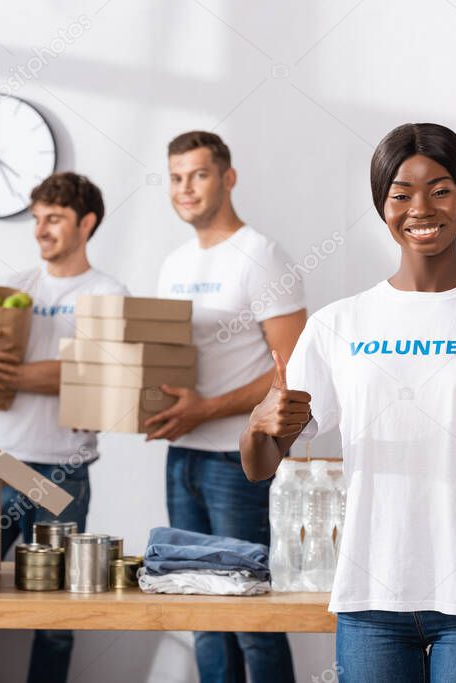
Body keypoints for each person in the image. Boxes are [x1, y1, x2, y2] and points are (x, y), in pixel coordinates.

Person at [240, 123, 456, 683]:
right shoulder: (338, 325)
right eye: (401, 194)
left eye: (441, 190)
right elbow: (260, 467)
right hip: (371, 598)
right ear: (382, 205)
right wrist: (257, 425)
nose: (421, 208)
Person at [0, 172, 128, 683]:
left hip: (62, 471)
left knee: (57, 614)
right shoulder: (13, 286)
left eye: (55, 219)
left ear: (86, 224)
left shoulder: (107, 292)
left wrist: (2, 373)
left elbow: (91, 373)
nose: (41, 229)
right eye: (37, 218)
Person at [149, 131, 305, 683]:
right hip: (181, 456)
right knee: (201, 611)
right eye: (176, 177)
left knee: (251, 616)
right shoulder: (173, 263)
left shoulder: (260, 255)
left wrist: (208, 409)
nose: (185, 188)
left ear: (227, 178)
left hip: (238, 463)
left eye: (198, 174)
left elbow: (293, 367)